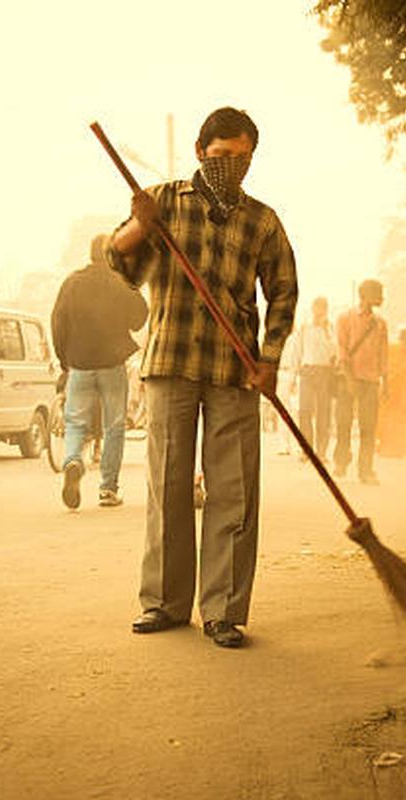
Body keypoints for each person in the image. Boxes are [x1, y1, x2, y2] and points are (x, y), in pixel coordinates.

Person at [109, 107, 298, 648]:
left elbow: (283, 289)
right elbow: (122, 265)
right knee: (168, 487)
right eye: (220, 157)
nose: (230, 167)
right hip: (171, 360)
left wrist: (270, 358)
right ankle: (164, 604)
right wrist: (139, 227)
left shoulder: (262, 220)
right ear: (199, 152)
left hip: (234, 368)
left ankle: (223, 610)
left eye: (241, 159)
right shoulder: (162, 201)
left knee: (233, 491)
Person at [51, 234, 148, 509]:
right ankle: (108, 490)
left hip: (79, 364)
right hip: (112, 364)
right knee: (114, 426)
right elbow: (140, 318)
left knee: (75, 422)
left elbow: (58, 323)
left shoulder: (72, 282)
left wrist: (64, 360)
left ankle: (72, 460)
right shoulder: (120, 282)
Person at [334, 279, 387, 483]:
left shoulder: (381, 324)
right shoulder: (345, 318)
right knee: (343, 424)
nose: (382, 297)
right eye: (379, 292)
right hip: (347, 378)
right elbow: (342, 349)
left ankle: (365, 470)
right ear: (365, 295)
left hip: (371, 381)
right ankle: (341, 461)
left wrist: (386, 383)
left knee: (369, 427)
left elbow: (383, 355)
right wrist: (349, 379)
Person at [290, 296, 335, 460]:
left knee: (324, 412)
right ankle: (306, 450)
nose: (319, 311)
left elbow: (334, 351)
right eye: (317, 308)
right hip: (307, 371)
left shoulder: (330, 329)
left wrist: (326, 331)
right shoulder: (304, 328)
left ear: (326, 310)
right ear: (313, 309)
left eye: (323, 308)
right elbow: (297, 352)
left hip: (325, 372)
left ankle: (321, 451)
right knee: (305, 411)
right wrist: (293, 377)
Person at [377, 327, 406, 458]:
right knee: (397, 418)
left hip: (394, 390)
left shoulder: (397, 349)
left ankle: (389, 446)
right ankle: (397, 447)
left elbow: (384, 368)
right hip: (398, 391)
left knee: (389, 417)